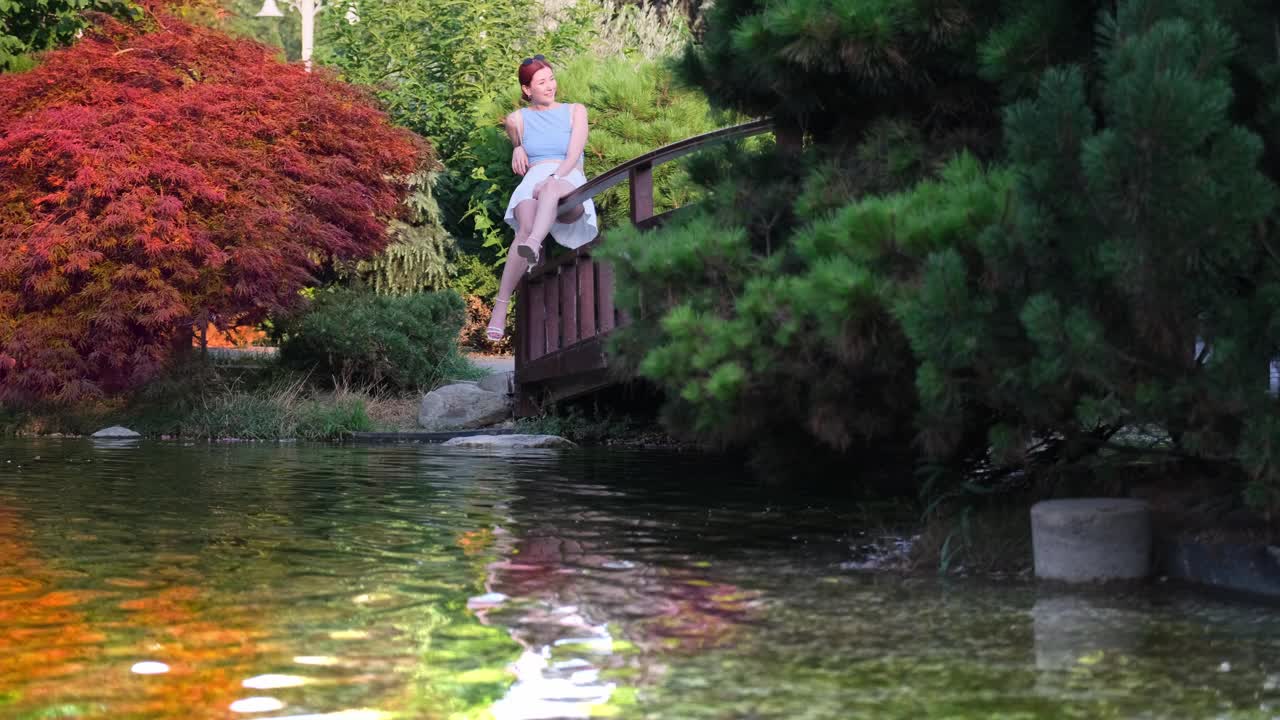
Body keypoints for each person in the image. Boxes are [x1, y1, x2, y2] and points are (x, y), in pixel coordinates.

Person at [486, 55, 598, 342]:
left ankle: (534, 245)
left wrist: (554, 176)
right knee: (524, 228)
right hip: (533, 178)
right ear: (527, 89)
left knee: (548, 191)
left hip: (566, 176)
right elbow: (517, 140)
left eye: (551, 78)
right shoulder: (517, 120)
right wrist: (517, 148)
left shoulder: (575, 111)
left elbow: (574, 155)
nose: (550, 86)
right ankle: (500, 307)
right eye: (541, 82)